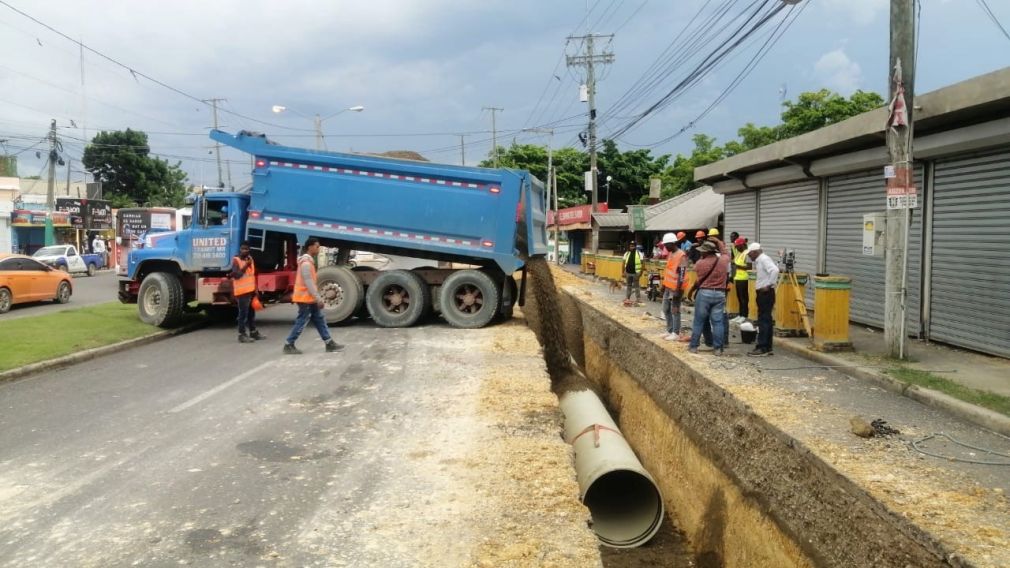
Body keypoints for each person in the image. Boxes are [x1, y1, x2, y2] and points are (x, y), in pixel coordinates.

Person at [283, 237, 344, 354]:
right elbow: (309, 282)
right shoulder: (306, 263)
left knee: (319, 319)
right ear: (310, 247)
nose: (318, 249)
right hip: (304, 298)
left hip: (308, 298)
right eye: (317, 247)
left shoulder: (308, 262)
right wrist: (318, 298)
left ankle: (329, 342)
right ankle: (288, 344)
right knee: (302, 321)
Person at [687, 238, 729, 355]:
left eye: (702, 251)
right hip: (720, 293)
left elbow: (698, 281)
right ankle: (718, 349)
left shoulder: (700, 263)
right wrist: (718, 241)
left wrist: (691, 292)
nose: (700, 253)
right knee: (718, 322)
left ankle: (694, 346)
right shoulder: (723, 261)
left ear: (705, 252)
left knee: (698, 321)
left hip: (704, 293)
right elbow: (725, 252)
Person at [747, 242, 779, 357]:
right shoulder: (761, 260)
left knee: (763, 320)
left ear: (755, 252)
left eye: (750, 254)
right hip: (764, 293)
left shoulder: (763, 259)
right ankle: (767, 346)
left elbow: (775, 270)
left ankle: (762, 347)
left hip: (765, 293)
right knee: (766, 319)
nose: (749, 257)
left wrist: (769, 285)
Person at [231, 241, 265, 343]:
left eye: (246, 249)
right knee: (243, 314)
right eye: (242, 248)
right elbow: (236, 275)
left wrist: (255, 290)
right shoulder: (236, 260)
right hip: (241, 292)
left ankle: (253, 332)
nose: (244, 251)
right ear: (240, 249)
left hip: (250, 291)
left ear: (249, 250)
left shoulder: (250, 259)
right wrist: (246, 265)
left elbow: (252, 276)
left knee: (251, 313)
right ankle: (241, 335)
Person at [660, 232, 689, 341]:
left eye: (666, 245)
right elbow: (669, 270)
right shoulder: (671, 253)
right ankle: (669, 329)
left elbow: (681, 274)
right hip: (668, 286)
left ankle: (676, 333)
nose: (665, 247)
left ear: (672, 243)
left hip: (676, 288)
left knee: (675, 310)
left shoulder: (682, 255)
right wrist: (663, 285)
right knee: (665, 309)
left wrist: (677, 290)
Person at [731, 237, 750, 323]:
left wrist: (738, 266)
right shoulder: (739, 253)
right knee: (739, 298)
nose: (736, 248)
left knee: (744, 298)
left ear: (742, 245)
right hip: (738, 278)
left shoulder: (747, 253)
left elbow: (750, 267)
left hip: (744, 279)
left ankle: (744, 315)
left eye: (738, 246)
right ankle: (740, 314)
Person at [622, 241, 643, 305]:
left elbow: (643, 263)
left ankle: (638, 299)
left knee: (636, 286)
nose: (632, 247)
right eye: (631, 246)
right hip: (628, 273)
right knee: (629, 286)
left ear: (635, 246)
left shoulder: (639, 254)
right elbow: (623, 263)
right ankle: (627, 298)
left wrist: (640, 272)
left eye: (633, 246)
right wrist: (623, 272)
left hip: (636, 273)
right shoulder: (626, 253)